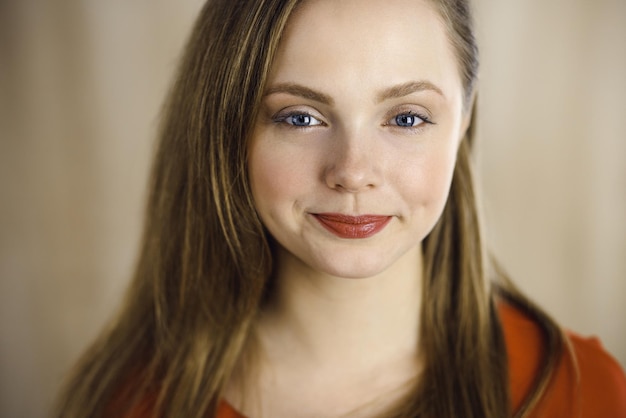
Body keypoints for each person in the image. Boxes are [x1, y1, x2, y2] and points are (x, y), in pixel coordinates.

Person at [54, 0, 626, 417]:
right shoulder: (129, 401)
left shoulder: (581, 393)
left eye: (406, 118)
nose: (353, 170)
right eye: (300, 117)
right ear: (228, 127)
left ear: (463, 123)